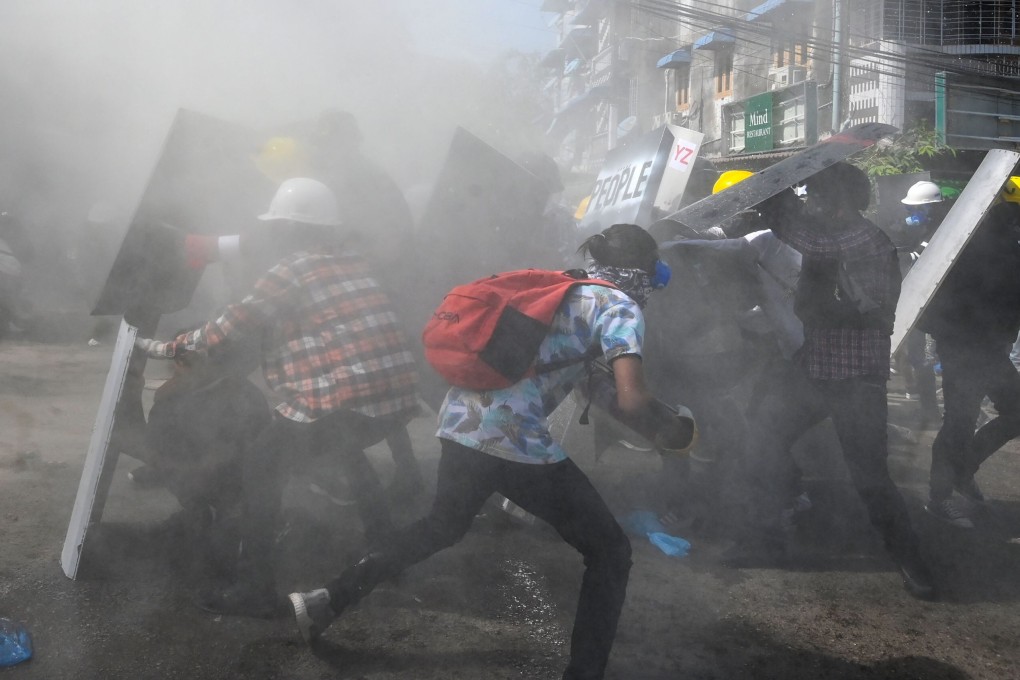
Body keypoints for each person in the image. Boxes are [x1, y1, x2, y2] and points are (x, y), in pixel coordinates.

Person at [287, 223, 670, 680]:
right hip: (512, 438)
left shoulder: (564, 288)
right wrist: (672, 427)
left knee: (441, 526)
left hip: (460, 422)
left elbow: (586, 379)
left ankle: (326, 600)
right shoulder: (619, 304)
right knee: (610, 553)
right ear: (644, 271)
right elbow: (631, 400)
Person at [135, 178, 421, 616]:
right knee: (345, 448)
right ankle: (387, 554)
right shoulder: (351, 263)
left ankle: (253, 588)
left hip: (347, 397)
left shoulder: (293, 270)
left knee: (262, 466)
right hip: (393, 401)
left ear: (289, 228)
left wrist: (167, 347)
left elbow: (232, 325)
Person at [725, 162, 936, 600]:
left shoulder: (864, 241)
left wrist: (772, 193)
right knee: (762, 438)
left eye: (818, 195)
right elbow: (794, 231)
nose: (812, 203)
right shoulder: (829, 239)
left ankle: (913, 560)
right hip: (817, 366)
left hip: (856, 376)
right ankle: (767, 533)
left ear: (841, 201)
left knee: (870, 478)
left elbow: (867, 312)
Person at [308, 109, 425, 499]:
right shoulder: (353, 176)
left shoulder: (361, 180)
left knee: (356, 385)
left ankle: (362, 477)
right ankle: (401, 473)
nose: (324, 149)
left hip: (373, 290)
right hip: (373, 288)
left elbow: (381, 239)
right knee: (374, 387)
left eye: (329, 141)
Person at [915, 188, 1020, 529]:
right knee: (960, 420)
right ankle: (939, 496)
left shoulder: (1005, 253)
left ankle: (962, 470)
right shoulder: (979, 254)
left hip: (986, 349)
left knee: (1005, 412)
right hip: (967, 348)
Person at [893, 180, 945, 424]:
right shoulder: (916, 233)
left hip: (933, 310)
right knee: (916, 358)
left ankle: (932, 410)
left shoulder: (940, 234)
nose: (910, 214)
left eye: (916, 210)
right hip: (915, 307)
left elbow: (917, 260)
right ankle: (929, 408)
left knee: (924, 360)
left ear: (931, 209)